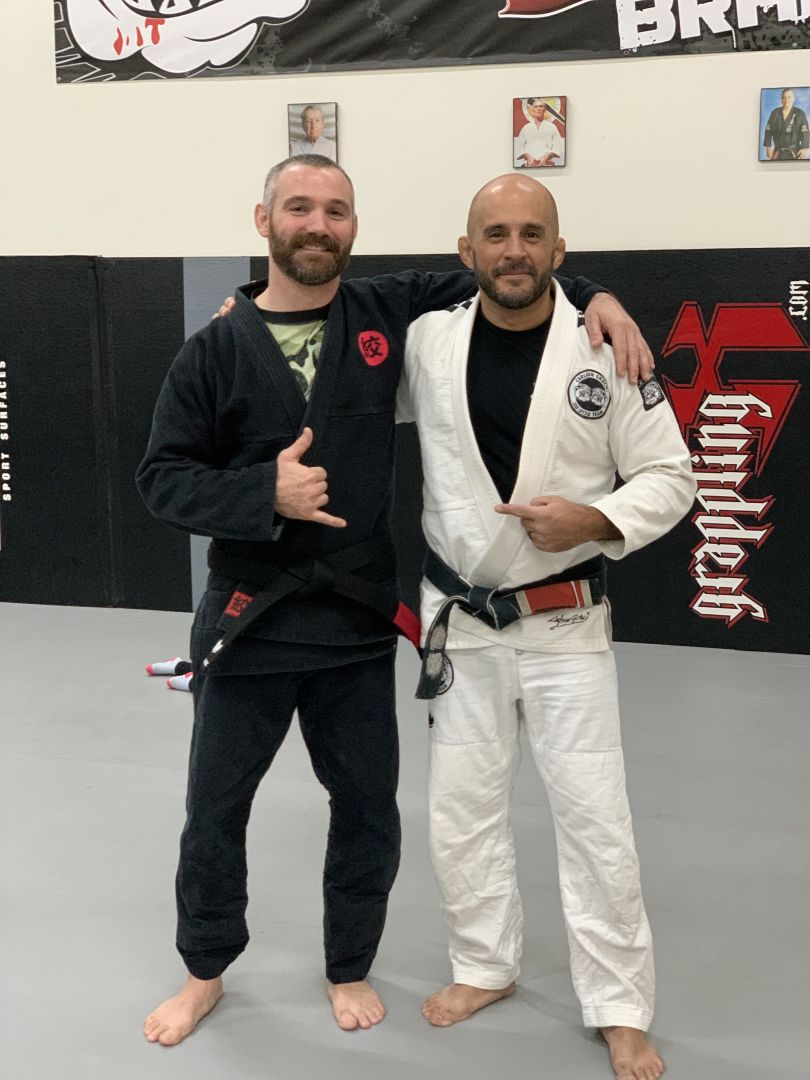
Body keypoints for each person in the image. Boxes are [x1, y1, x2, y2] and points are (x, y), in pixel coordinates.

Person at [136, 153, 653, 1047]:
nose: (318, 225)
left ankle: (348, 965)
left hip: (354, 620)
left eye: (336, 210)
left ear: (354, 227)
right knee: (215, 810)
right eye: (299, 208)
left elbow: (509, 272)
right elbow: (161, 479)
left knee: (369, 811)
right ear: (263, 221)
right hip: (249, 616)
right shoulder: (213, 350)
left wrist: (599, 294)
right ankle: (203, 971)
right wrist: (261, 492)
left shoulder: (384, 312)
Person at [398, 174, 696, 1080]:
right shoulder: (427, 343)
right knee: (461, 812)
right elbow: (340, 375)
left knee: (595, 817)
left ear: (560, 252)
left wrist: (595, 520)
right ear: (467, 252)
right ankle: (484, 964)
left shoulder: (606, 346)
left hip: (565, 625)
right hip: (463, 624)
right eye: (496, 234)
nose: (514, 249)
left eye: (533, 234)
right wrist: (250, 314)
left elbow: (671, 477)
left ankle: (620, 1005)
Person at [514, 97, 564, 168]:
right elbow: (519, 146)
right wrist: (528, 156)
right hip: (529, 165)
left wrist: (548, 156)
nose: (538, 109)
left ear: (545, 109)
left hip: (547, 164)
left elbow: (557, 146)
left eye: (541, 106)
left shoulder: (552, 127)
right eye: (536, 107)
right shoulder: (526, 127)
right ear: (532, 110)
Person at [763, 88, 809, 160]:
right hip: (777, 152)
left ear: (793, 99)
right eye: (784, 98)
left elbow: (805, 132)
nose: (786, 100)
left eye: (789, 97)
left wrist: (804, 148)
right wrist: (768, 147)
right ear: (781, 100)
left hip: (795, 152)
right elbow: (768, 130)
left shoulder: (800, 113)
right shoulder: (775, 113)